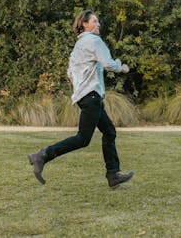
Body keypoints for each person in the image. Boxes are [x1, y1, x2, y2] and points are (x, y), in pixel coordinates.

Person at [28, 10, 134, 188]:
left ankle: (113, 175)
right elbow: (108, 63)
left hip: (86, 97)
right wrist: (121, 67)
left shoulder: (78, 46)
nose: (98, 24)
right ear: (85, 24)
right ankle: (43, 155)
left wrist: (81, 85)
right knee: (83, 138)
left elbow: (70, 73)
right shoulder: (94, 41)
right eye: (95, 21)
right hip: (91, 96)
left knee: (109, 132)